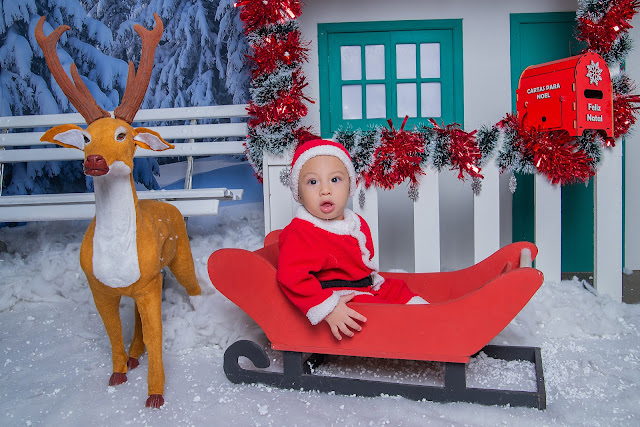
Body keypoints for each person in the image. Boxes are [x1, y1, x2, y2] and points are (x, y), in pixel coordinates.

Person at [276, 139, 428, 341]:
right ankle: (417, 333)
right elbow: (292, 277)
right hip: (339, 296)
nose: (325, 190)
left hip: (366, 285)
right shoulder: (301, 232)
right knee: (377, 312)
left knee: (399, 289)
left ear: (350, 187)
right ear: (299, 194)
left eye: (335, 179)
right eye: (313, 182)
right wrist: (328, 308)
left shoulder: (354, 222)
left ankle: (432, 316)